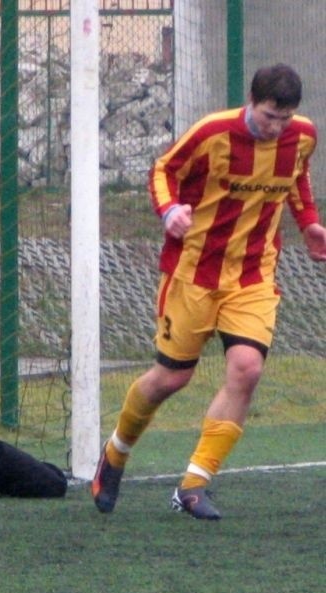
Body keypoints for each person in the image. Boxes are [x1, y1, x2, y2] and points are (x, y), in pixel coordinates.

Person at [92, 63, 326, 520]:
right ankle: (116, 451)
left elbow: (297, 177)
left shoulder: (302, 136)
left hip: (253, 275)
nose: (275, 127)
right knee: (171, 379)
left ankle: (194, 485)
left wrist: (310, 223)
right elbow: (164, 169)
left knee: (247, 369)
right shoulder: (211, 132)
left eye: (284, 118)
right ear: (250, 102)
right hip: (192, 272)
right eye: (267, 116)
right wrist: (168, 210)